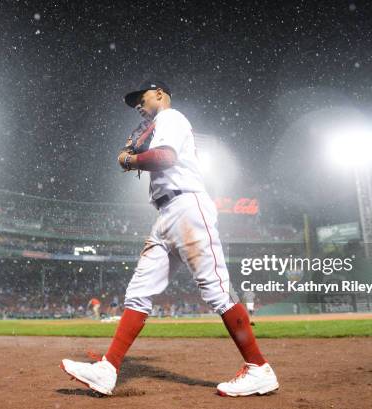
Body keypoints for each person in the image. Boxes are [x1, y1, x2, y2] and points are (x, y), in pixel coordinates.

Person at [60, 80, 279, 397]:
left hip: (188, 207)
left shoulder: (171, 118)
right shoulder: (158, 124)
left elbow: (165, 158)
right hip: (165, 214)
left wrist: (130, 160)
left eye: (142, 97)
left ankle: (259, 368)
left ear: (159, 94)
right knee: (139, 290)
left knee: (215, 291)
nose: (137, 104)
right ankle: (108, 369)